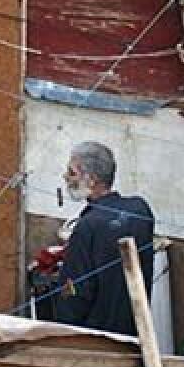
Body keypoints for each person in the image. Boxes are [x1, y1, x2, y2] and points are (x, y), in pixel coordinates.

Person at [53, 141, 155, 336]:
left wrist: (62, 328)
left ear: (91, 179)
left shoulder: (87, 226)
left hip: (97, 338)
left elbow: (75, 293)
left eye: (72, 172)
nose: (65, 177)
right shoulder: (140, 210)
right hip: (136, 331)